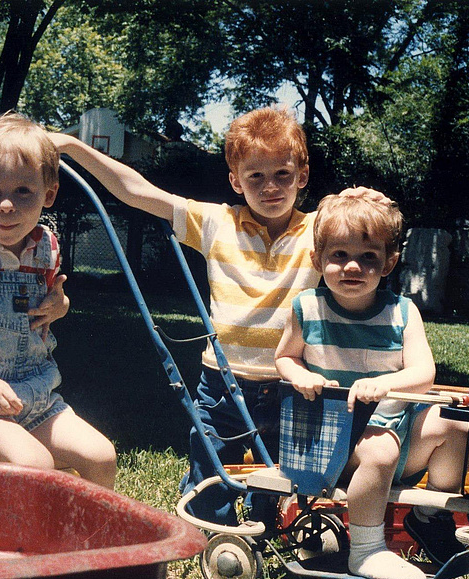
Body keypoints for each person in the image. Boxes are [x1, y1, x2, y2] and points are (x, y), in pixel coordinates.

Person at [51, 106, 387, 524]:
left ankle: (268, 530)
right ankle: (208, 528)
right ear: (235, 181)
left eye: (282, 175)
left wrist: (365, 201)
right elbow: (135, 190)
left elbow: (369, 228)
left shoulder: (320, 231)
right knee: (208, 462)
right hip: (222, 380)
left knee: (285, 477)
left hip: (293, 382)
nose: (270, 187)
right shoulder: (216, 222)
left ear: (302, 177)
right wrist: (70, 146)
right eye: (256, 177)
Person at [275, 193, 469, 579]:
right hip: (331, 442)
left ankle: (429, 517)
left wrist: (384, 384)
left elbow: (423, 372)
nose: (353, 266)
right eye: (339, 255)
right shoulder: (307, 308)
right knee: (380, 446)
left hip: (393, 435)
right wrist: (303, 376)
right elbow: (284, 358)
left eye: (368, 257)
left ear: (389, 262)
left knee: (455, 423)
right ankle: (365, 551)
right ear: (317, 259)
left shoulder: (401, 311)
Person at [0, 112, 117, 489]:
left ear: (49, 194)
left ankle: (89, 545)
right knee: (36, 464)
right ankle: (33, 546)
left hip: (35, 392)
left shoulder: (46, 247)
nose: (6, 206)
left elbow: (51, 301)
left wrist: (59, 306)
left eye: (23, 192)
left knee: (102, 456)